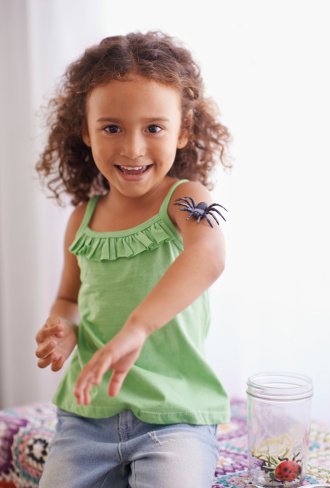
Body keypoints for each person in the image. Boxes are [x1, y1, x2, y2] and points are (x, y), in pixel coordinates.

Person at [35, 31, 232, 488]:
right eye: (112, 127)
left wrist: (137, 328)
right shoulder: (82, 219)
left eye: (154, 128)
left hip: (174, 417)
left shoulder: (185, 201)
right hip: (86, 419)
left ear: (183, 130)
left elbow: (210, 254)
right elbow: (68, 298)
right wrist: (62, 328)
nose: (132, 148)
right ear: (85, 131)